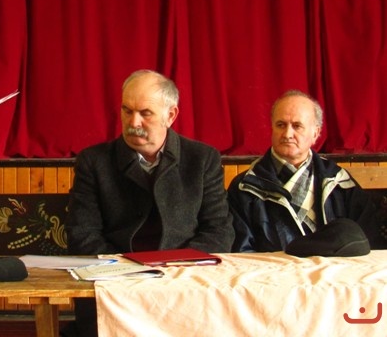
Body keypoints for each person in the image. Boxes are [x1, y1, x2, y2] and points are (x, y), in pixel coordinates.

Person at [64, 69, 234, 336]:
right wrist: (127, 273)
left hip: (184, 285)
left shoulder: (202, 159)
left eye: (145, 113)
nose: (134, 122)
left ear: (171, 115)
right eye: (127, 110)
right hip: (114, 287)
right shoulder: (93, 161)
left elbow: (219, 231)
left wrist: (174, 272)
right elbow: (82, 235)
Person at [228, 89, 382, 252]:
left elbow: (368, 243)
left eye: (297, 126)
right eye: (281, 125)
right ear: (272, 128)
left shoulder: (340, 182)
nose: (287, 134)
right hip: (273, 268)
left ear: (316, 133)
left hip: (336, 268)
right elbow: (242, 253)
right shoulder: (244, 188)